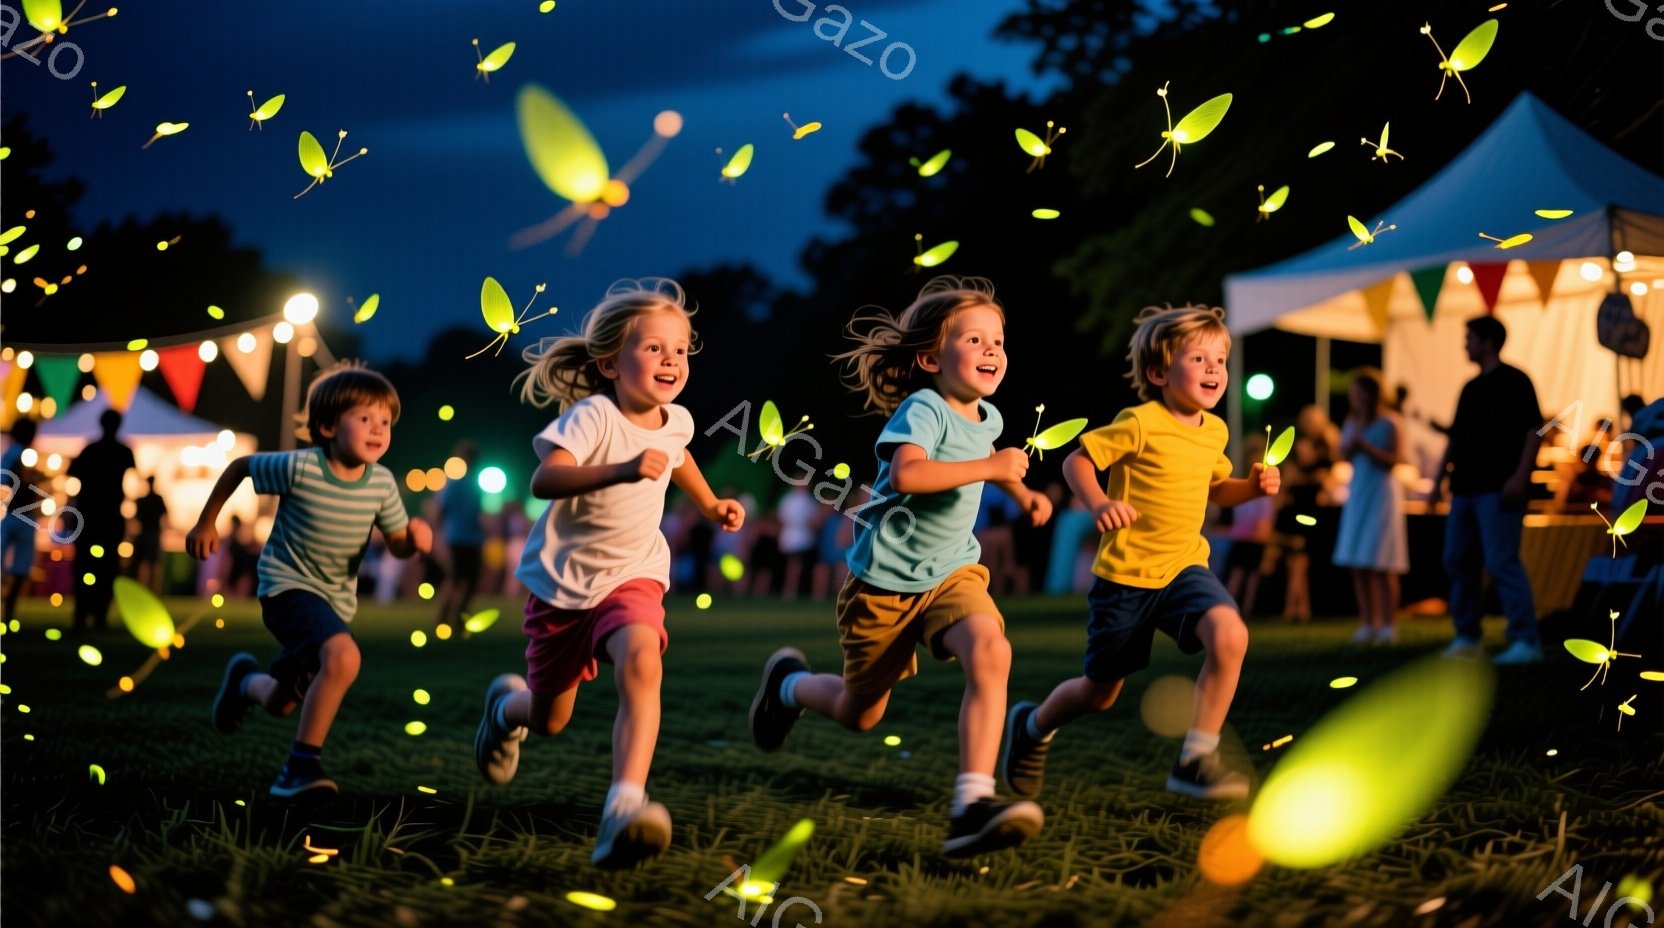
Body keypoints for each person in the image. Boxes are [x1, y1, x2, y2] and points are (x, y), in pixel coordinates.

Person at [749, 276, 1051, 857]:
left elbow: (988, 461)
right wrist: (995, 473)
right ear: (930, 357)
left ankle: (971, 803)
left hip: (953, 574)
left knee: (991, 649)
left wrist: (1022, 493)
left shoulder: (986, 417)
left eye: (998, 340)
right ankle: (787, 686)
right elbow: (911, 475)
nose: (992, 350)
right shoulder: (924, 409)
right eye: (975, 339)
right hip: (882, 585)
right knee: (859, 714)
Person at [470, 279, 744, 869]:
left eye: (680, 349)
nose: (671, 359)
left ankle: (624, 806)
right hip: (564, 584)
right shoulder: (592, 416)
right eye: (653, 348)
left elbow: (680, 456)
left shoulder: (676, 421)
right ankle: (504, 709)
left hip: (634, 573)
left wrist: (708, 503)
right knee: (550, 718)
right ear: (610, 363)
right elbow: (545, 480)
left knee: (644, 660)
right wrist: (618, 470)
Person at [1001, 304, 1279, 802]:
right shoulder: (1140, 422)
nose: (1214, 369)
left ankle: (1196, 758)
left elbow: (1218, 489)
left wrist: (1252, 489)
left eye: (1220, 359)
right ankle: (1032, 725)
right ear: (1158, 373)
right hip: (1126, 576)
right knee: (1099, 693)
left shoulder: (1213, 430)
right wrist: (1101, 502)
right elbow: (1076, 463)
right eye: (1198, 358)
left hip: (1184, 567)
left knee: (1230, 634)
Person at [188, 363, 433, 799]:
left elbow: (395, 543)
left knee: (283, 702)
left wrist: (412, 541)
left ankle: (244, 682)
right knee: (343, 657)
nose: (378, 430)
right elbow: (241, 467)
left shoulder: (381, 483)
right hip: (287, 587)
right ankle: (299, 768)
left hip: (335, 603)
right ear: (327, 425)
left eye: (385, 422)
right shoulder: (301, 467)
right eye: (365, 419)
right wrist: (206, 522)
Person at [1430, 316, 1544, 664]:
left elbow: (1534, 430)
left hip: (1499, 488)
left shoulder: (1516, 380)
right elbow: (1456, 437)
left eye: (1469, 338)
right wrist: (1437, 481)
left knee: (1500, 561)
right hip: (1464, 488)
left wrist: (1520, 477)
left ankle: (1526, 640)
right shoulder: (1470, 387)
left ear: (1488, 341)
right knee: (1458, 560)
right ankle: (1467, 637)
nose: (1465, 344)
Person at [1332, 371, 1409, 644]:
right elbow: (1342, 454)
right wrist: (1350, 448)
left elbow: (1395, 459)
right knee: (1358, 561)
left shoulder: (1390, 422)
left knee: (1381, 562)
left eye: (1361, 391)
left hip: (1381, 494)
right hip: (1357, 492)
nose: (1356, 397)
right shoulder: (1351, 421)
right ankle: (1369, 623)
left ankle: (1389, 624)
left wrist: (1364, 445)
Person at [68, 409, 135, 632]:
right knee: (107, 569)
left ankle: (81, 615)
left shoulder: (90, 450)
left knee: (83, 567)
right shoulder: (123, 451)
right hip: (110, 517)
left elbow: (73, 476)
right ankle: (99, 615)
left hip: (88, 517)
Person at [434, 441, 485, 631]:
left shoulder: (471, 483)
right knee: (456, 580)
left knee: (467, 581)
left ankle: (455, 620)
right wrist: (437, 535)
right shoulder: (457, 484)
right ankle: (444, 619)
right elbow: (440, 511)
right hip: (457, 538)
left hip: (468, 538)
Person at [2, 418, 41, 617]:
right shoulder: (19, 454)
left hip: (15, 514)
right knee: (20, 565)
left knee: (18, 564)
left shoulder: (13, 454)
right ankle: (9, 611)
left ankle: (8, 611)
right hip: (15, 514)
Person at [131, 475, 169, 593]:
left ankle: (147, 589)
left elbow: (136, 517)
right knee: (151, 563)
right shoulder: (156, 499)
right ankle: (151, 589)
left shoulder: (143, 500)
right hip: (151, 533)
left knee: (146, 563)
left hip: (148, 533)